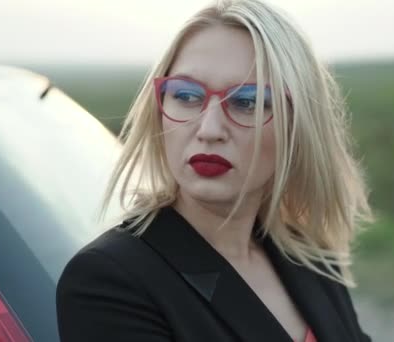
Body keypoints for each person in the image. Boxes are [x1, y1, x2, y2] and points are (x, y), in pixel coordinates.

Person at [56, 0, 372, 341]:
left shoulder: (310, 256)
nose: (209, 129)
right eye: (187, 95)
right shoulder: (110, 281)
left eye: (247, 101)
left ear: (297, 127)